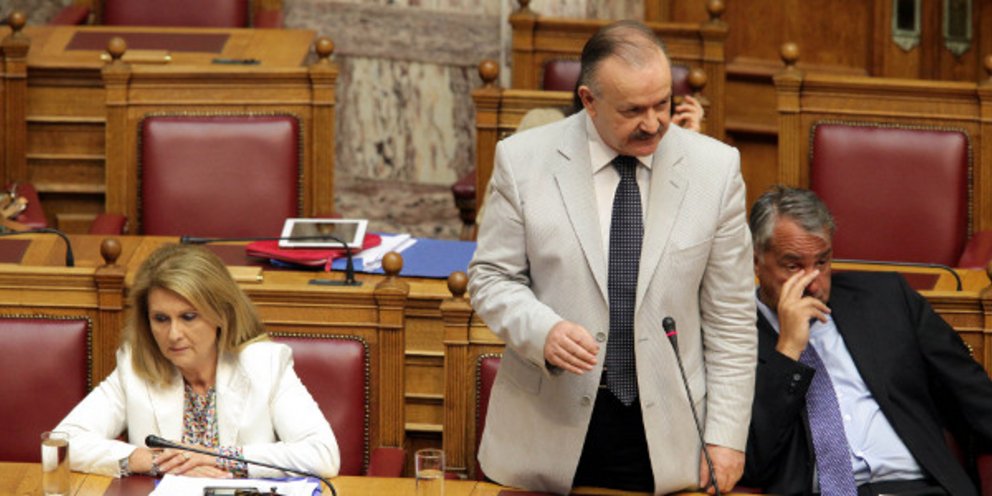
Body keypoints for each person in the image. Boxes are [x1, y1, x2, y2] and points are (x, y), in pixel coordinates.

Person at [468, 20, 756, 495]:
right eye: (633, 110)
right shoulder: (523, 161)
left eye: (662, 103)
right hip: (550, 426)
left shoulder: (716, 170)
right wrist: (543, 330)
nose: (653, 123)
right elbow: (491, 278)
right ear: (589, 100)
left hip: (669, 437)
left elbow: (732, 318)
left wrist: (726, 437)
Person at [742, 186, 992, 495]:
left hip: (918, 489)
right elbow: (753, 463)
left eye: (822, 262)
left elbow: (975, 395)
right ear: (755, 261)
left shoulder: (887, 299)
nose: (813, 283)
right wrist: (788, 351)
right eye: (793, 266)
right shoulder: (733, 335)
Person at [55, 244, 340, 479]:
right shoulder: (135, 367)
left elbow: (322, 454)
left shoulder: (265, 364)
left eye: (188, 317)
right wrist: (153, 460)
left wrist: (221, 458)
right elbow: (61, 443)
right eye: (161, 319)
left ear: (221, 314)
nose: (173, 334)